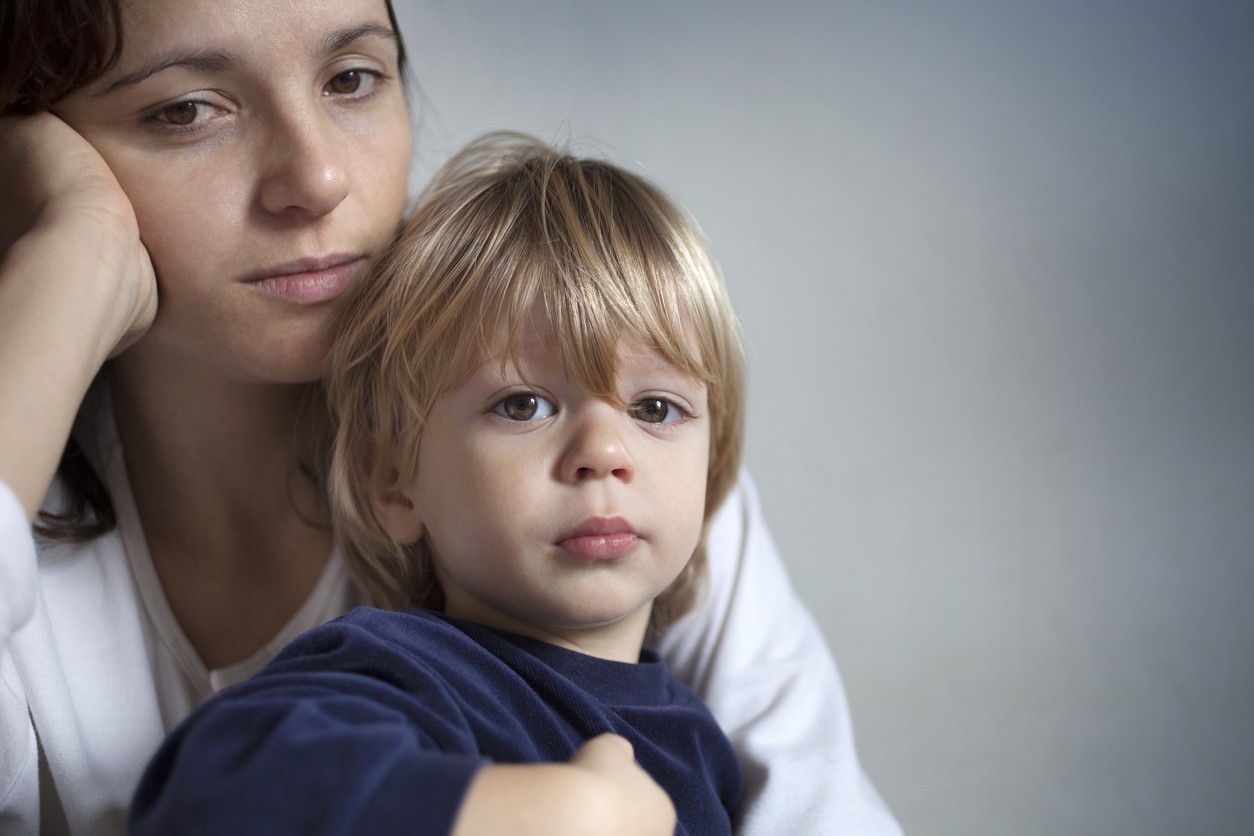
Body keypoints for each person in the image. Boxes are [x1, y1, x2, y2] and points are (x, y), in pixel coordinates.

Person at [0, 1, 901, 834]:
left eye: (352, 77)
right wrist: (71, 255)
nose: (315, 179)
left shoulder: (628, 443)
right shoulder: (421, 648)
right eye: (187, 110)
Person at [130, 132, 746, 835]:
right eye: (524, 405)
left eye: (655, 409)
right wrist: (572, 812)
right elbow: (214, 791)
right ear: (394, 482)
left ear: (713, 465)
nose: (604, 452)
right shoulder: (407, 673)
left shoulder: (705, 744)